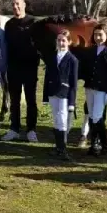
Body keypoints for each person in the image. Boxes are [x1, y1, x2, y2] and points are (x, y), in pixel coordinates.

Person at [2, 0, 40, 143]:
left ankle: (31, 130)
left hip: (30, 67)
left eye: (18, 3)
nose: (15, 6)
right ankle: (14, 129)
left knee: (31, 100)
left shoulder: (33, 22)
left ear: (24, 4)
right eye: (13, 4)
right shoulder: (9, 24)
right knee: (14, 100)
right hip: (13, 67)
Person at [82, 25, 107, 156]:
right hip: (90, 87)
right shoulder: (90, 50)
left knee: (97, 116)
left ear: (106, 36)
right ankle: (94, 144)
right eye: (95, 34)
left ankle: (104, 144)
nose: (97, 37)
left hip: (102, 89)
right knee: (92, 116)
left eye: (100, 34)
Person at [43, 29, 79, 160]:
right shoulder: (52, 57)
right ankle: (58, 147)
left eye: (63, 40)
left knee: (63, 120)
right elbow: (47, 77)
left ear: (69, 42)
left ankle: (63, 149)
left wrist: (72, 102)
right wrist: (45, 97)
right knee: (56, 119)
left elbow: (73, 83)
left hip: (64, 93)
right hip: (52, 92)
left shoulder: (72, 60)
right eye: (59, 40)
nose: (61, 43)